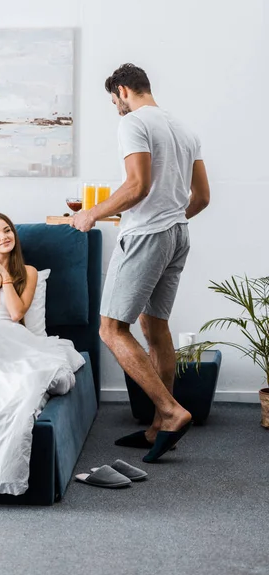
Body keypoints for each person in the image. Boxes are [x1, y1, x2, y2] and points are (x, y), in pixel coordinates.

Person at [72, 63, 210, 463]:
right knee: (155, 327)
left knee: (111, 329)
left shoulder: (133, 123)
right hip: (178, 234)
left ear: (122, 90)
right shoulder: (184, 129)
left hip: (147, 236)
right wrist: (169, 219)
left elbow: (137, 186)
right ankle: (155, 429)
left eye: (113, 99)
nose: (115, 107)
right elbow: (200, 198)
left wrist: (91, 214)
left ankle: (170, 412)